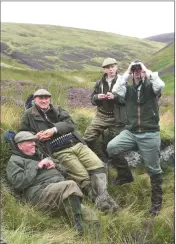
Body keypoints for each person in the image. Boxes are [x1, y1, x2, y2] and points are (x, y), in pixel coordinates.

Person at [19, 89, 118, 213]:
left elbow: (70, 124)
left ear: (50, 98)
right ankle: (105, 204)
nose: (44, 100)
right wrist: (35, 136)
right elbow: (23, 133)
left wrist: (54, 130)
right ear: (35, 100)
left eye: (46, 98)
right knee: (82, 176)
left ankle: (103, 201)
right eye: (40, 98)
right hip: (59, 151)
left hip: (77, 144)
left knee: (99, 167)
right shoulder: (28, 114)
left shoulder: (57, 109)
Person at [6, 131, 100, 234]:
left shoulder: (40, 154)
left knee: (91, 217)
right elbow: (18, 183)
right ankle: (78, 228)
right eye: (29, 141)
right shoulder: (15, 160)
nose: (34, 143)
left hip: (57, 191)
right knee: (70, 185)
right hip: (39, 194)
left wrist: (55, 165)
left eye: (34, 141)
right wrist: (37, 166)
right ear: (20, 145)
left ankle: (91, 241)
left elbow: (64, 171)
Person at [107, 60, 165, 216]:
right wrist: (127, 71)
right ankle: (125, 175)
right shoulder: (128, 89)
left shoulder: (151, 88)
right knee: (112, 147)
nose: (137, 72)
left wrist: (146, 69)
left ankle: (157, 202)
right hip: (131, 132)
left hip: (150, 133)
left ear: (144, 73)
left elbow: (160, 85)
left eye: (139, 70)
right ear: (132, 74)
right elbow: (116, 89)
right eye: (135, 70)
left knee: (153, 169)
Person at [83, 58, 127, 164]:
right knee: (87, 138)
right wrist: (97, 97)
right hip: (101, 116)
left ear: (116, 67)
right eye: (108, 68)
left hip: (117, 119)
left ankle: (110, 162)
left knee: (111, 144)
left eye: (112, 67)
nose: (111, 69)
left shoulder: (122, 82)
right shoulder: (100, 83)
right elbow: (92, 100)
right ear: (104, 70)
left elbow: (127, 100)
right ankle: (101, 158)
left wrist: (115, 97)